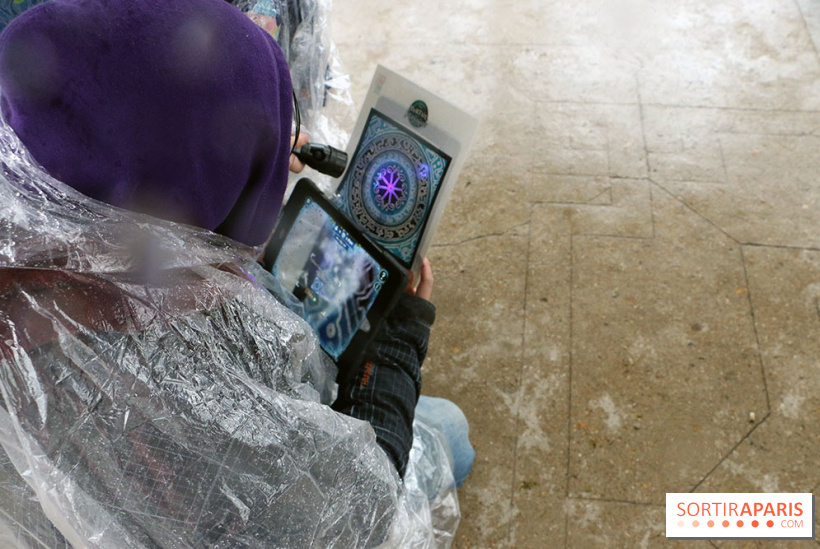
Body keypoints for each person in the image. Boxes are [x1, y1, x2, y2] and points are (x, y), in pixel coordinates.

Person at [0, 0, 473, 546]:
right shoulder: (205, 375)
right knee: (451, 432)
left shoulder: (29, 222)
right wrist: (395, 347)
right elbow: (359, 517)